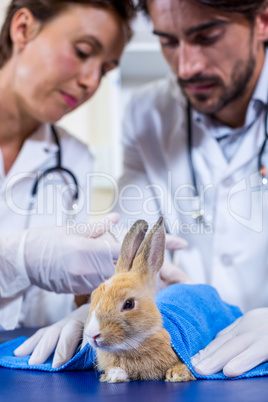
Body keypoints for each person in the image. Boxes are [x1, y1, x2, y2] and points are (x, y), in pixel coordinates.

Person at [15, 0, 268, 378]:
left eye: (207, 36)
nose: (186, 66)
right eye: (168, 42)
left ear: (264, 19)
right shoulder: (146, 113)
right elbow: (133, 245)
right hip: (180, 353)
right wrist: (105, 309)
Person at [0, 0, 136, 330]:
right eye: (83, 51)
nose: (91, 81)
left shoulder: (75, 159)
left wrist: (114, 282)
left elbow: (65, 296)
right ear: (23, 29)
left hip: (27, 371)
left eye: (105, 70)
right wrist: (18, 259)